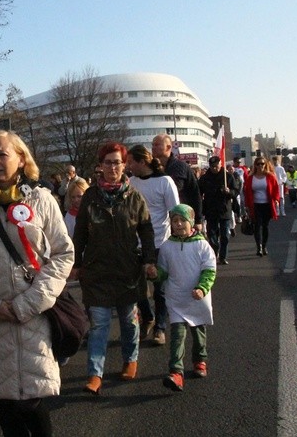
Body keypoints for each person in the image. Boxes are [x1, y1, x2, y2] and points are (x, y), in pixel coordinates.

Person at [0, 130, 73, 437]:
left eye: (1, 154)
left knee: (32, 401)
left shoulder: (42, 200)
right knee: (4, 403)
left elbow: (62, 254)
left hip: (33, 316)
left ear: (21, 159)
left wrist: (27, 304)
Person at [73, 142, 156, 395]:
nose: (112, 167)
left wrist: (149, 260)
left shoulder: (134, 197)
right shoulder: (90, 197)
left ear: (124, 165)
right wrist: (76, 263)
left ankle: (130, 360)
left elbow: (146, 229)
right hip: (98, 271)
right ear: (100, 166)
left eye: (117, 162)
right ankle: (94, 374)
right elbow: (79, 233)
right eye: (107, 162)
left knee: (129, 321)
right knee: (98, 325)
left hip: (127, 271)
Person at [146, 204, 216, 392]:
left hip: (196, 299)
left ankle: (200, 360)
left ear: (191, 222)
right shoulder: (168, 246)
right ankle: (176, 372)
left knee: (198, 332)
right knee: (177, 335)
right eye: (174, 221)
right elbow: (163, 272)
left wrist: (202, 288)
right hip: (176, 299)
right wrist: (154, 274)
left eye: (182, 220)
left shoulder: (202, 245)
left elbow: (209, 271)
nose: (177, 225)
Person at [127, 144, 178, 345]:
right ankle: (147, 317)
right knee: (137, 288)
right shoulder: (130, 182)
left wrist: (176, 240)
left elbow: (174, 211)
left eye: (131, 162)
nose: (128, 165)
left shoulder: (165, 182)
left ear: (142, 162)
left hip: (160, 242)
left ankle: (160, 328)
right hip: (135, 243)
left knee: (159, 289)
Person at [151, 134, 203, 230]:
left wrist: (198, 220)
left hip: (181, 219)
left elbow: (195, 194)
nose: (153, 148)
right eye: (152, 145)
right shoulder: (150, 169)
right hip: (159, 222)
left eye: (157, 145)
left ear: (168, 147)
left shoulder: (181, 167)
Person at [198, 156, 238, 265]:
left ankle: (223, 256)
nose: (214, 169)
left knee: (225, 235)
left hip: (224, 209)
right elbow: (199, 193)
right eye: (212, 167)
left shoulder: (227, 177)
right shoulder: (205, 178)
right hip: (210, 210)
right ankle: (215, 252)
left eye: (216, 166)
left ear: (220, 164)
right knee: (212, 235)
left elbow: (235, 192)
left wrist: (229, 191)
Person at [243, 157, 281, 256]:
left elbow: (276, 190)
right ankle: (258, 247)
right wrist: (246, 205)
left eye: (262, 164)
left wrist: (276, 200)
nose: (260, 166)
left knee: (265, 226)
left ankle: (264, 246)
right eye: (258, 164)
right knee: (257, 225)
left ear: (265, 165)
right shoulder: (251, 178)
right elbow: (247, 192)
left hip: (267, 204)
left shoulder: (270, 177)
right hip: (255, 204)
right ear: (255, 165)